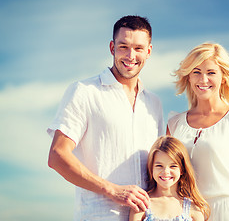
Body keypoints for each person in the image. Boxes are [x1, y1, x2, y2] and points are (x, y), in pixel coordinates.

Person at [47, 15, 164, 221]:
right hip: (99, 216)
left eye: (138, 48)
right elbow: (57, 156)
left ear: (149, 51)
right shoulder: (84, 92)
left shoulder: (154, 103)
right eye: (123, 47)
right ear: (112, 48)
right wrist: (112, 190)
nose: (130, 55)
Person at [167, 43, 229, 221]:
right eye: (196, 72)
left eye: (211, 73)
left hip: (228, 211)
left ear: (223, 77)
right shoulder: (174, 124)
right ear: (188, 77)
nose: (203, 80)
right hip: (186, 212)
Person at [129, 136, 210, 221]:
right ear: (151, 168)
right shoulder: (141, 205)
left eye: (173, 166)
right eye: (159, 166)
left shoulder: (194, 208)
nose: (166, 171)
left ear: (182, 169)